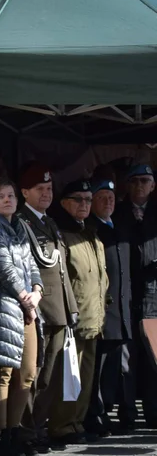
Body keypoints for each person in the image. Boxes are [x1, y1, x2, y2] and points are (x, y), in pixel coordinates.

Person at [0, 178, 42, 456]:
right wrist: (26, 297)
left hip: (27, 307)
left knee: (27, 373)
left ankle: (15, 431)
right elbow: (2, 265)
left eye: (11, 196)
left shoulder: (22, 227)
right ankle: (0, 436)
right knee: (2, 374)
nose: (7, 200)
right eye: (0, 197)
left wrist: (37, 291)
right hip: (3, 307)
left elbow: (32, 263)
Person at [17, 164, 78, 452]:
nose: (46, 194)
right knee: (36, 373)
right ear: (24, 192)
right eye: (39, 189)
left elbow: (62, 269)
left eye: (49, 189)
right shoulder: (22, 222)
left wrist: (71, 306)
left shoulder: (49, 222)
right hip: (41, 307)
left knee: (51, 376)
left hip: (59, 307)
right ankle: (29, 429)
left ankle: (39, 427)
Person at [48, 180, 108, 443]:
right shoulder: (62, 233)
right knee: (67, 378)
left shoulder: (92, 233)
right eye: (78, 200)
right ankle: (62, 426)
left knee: (84, 376)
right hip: (74, 318)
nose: (85, 204)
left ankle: (76, 423)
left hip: (94, 318)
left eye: (88, 199)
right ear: (65, 203)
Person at [86, 178, 135, 436]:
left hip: (123, 311)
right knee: (100, 370)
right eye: (102, 197)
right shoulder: (93, 229)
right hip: (105, 311)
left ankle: (120, 413)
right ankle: (96, 415)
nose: (108, 201)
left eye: (112, 197)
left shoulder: (120, 227)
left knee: (120, 368)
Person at [113, 164, 157, 427]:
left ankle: (153, 412)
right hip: (125, 294)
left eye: (145, 181)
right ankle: (127, 413)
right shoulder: (117, 213)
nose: (140, 186)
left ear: (153, 185)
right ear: (127, 185)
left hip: (154, 293)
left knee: (153, 358)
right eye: (135, 181)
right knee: (126, 359)